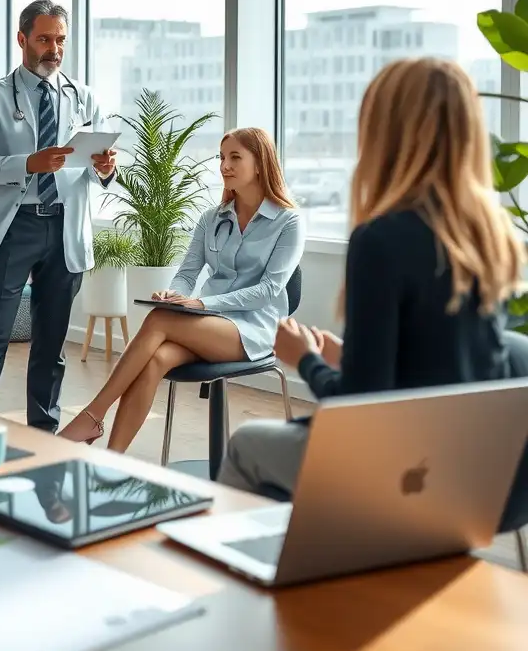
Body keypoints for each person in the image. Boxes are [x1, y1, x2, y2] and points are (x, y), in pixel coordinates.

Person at [218, 58, 528, 499]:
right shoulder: (489, 234)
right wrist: (351, 356)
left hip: (402, 463)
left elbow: (358, 408)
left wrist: (305, 358)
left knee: (248, 445)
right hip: (478, 468)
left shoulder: (381, 240)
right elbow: (448, 370)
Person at [60, 128, 303, 451]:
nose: (224, 166)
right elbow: (187, 273)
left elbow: (269, 290)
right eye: (221, 157)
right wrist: (173, 294)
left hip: (256, 328)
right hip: (211, 325)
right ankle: (111, 461)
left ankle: (93, 414)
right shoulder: (212, 218)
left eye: (235, 157)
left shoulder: (288, 221)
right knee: (157, 358)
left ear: (260, 164)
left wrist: (201, 304)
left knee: (161, 320)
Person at [0, 0, 118, 432]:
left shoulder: (85, 97)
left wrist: (106, 169)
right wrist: (28, 163)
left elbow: (98, 163)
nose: (54, 48)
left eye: (60, 39)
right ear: (22, 39)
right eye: (45, 38)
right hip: (14, 227)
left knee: (52, 343)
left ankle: (44, 431)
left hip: (65, 227)